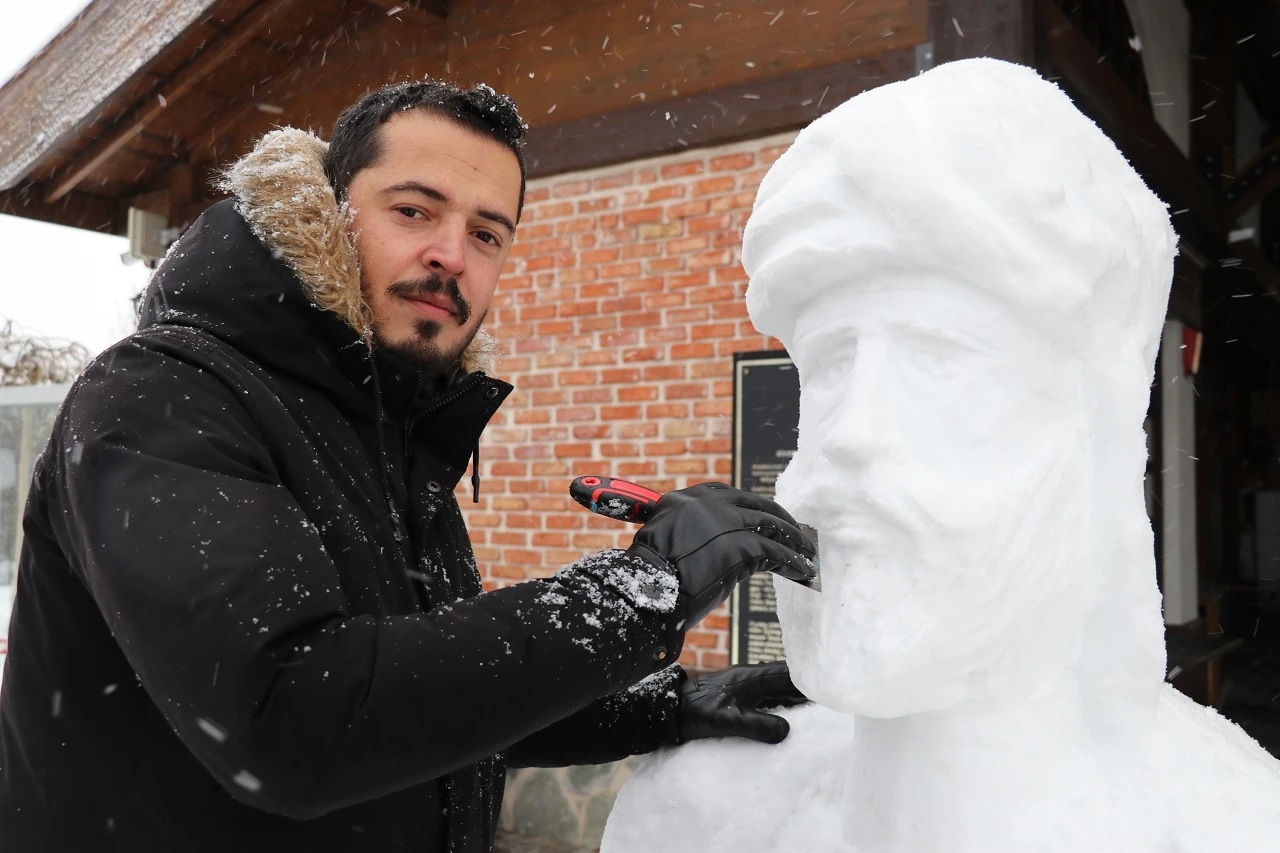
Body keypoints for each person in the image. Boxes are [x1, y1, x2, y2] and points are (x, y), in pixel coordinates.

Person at [0, 80, 815, 852]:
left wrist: (655, 707)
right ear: (326, 212)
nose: (452, 253)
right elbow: (293, 716)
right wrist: (642, 590)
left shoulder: (388, 432)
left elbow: (415, 704)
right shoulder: (162, 398)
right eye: (414, 209)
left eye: (487, 233)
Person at [602, 59, 1280, 853]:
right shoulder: (695, 820)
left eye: (939, 362)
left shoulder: (1235, 826)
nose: (848, 432)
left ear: (1090, 435)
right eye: (829, 370)